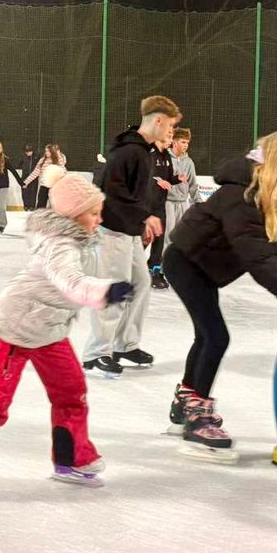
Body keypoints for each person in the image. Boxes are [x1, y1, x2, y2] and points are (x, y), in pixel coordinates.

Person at [0, 172, 135, 506]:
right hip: (16, 328)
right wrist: (106, 291)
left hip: (49, 330)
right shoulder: (61, 245)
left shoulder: (81, 240)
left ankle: (71, 458)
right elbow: (70, 282)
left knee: (71, 392)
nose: (100, 219)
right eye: (93, 213)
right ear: (73, 214)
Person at [164, 130, 277, 457]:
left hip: (200, 264)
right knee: (215, 337)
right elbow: (256, 257)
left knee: (207, 336)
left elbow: (271, 251)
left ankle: (186, 401)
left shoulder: (258, 191)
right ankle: (197, 415)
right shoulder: (243, 195)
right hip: (187, 263)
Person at [84, 95, 180, 376]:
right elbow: (112, 192)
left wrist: (142, 224)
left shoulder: (144, 152)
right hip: (113, 231)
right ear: (158, 120)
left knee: (140, 283)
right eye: (171, 127)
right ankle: (96, 353)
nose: (171, 133)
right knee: (115, 289)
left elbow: (136, 193)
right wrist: (144, 217)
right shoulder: (129, 152)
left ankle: (124, 344)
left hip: (129, 231)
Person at [147, 137, 181, 289]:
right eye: (168, 136)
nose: (171, 140)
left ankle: (154, 269)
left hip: (160, 204)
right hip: (145, 204)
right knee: (142, 238)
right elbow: (143, 175)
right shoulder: (149, 152)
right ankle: (128, 268)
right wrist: (157, 181)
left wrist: (176, 179)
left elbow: (167, 178)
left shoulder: (166, 155)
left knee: (159, 237)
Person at [164, 127, 201, 247]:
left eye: (187, 143)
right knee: (168, 235)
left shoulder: (189, 162)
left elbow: (193, 185)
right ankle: (164, 263)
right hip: (168, 202)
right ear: (174, 142)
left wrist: (198, 203)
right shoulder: (165, 158)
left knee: (182, 235)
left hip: (183, 203)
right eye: (183, 142)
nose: (186, 145)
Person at [23, 144, 67, 209]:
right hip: (44, 185)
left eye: (48, 151)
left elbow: (63, 171)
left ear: (52, 151)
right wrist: (26, 182)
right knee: (41, 203)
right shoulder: (42, 160)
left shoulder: (58, 160)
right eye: (46, 151)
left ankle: (53, 217)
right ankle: (39, 216)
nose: (46, 153)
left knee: (54, 204)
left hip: (55, 186)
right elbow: (35, 172)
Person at [18, 144, 39, 211]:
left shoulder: (36, 157)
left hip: (34, 177)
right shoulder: (23, 157)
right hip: (25, 176)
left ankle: (32, 206)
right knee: (25, 192)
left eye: (29, 151)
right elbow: (19, 164)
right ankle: (26, 205)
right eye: (26, 151)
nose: (28, 153)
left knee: (33, 192)